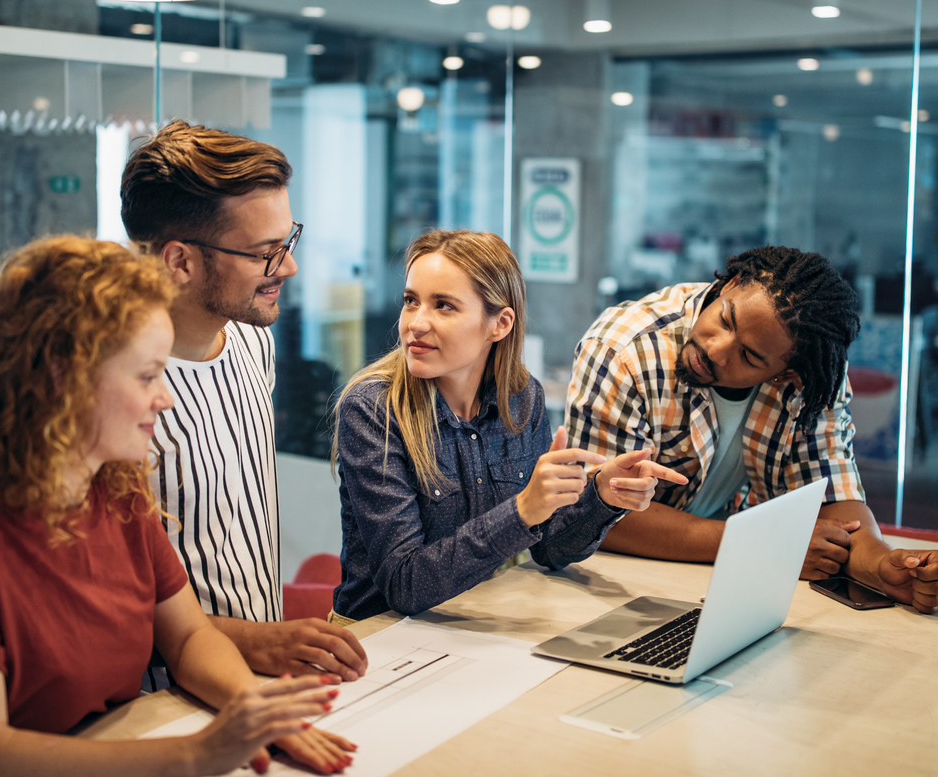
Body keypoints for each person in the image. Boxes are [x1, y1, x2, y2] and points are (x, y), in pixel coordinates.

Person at [0, 237, 338, 777]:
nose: (166, 399)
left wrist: (252, 710)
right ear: (62, 376)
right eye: (147, 376)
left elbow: (190, 635)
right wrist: (199, 754)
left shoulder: (116, 488)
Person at [121, 121, 366, 775]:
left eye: (288, 240)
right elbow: (120, 605)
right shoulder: (114, 395)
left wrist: (273, 644)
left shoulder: (253, 338)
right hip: (166, 710)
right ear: (179, 260)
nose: (287, 265)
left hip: (258, 683)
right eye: (264, 251)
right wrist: (259, 644)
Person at [332, 229, 687, 621]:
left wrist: (601, 496)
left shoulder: (522, 399)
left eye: (443, 306)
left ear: (499, 324)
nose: (416, 323)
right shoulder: (372, 410)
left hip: (473, 624)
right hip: (378, 641)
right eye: (410, 301)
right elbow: (405, 584)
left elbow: (550, 549)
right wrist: (521, 510)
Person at [566, 245, 938, 615]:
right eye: (726, 320)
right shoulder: (623, 350)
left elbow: (832, 502)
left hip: (718, 583)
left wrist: (884, 567)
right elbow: (599, 516)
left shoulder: (811, 378)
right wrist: (759, 543)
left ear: (786, 373)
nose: (715, 349)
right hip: (607, 585)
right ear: (731, 284)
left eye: (749, 356)